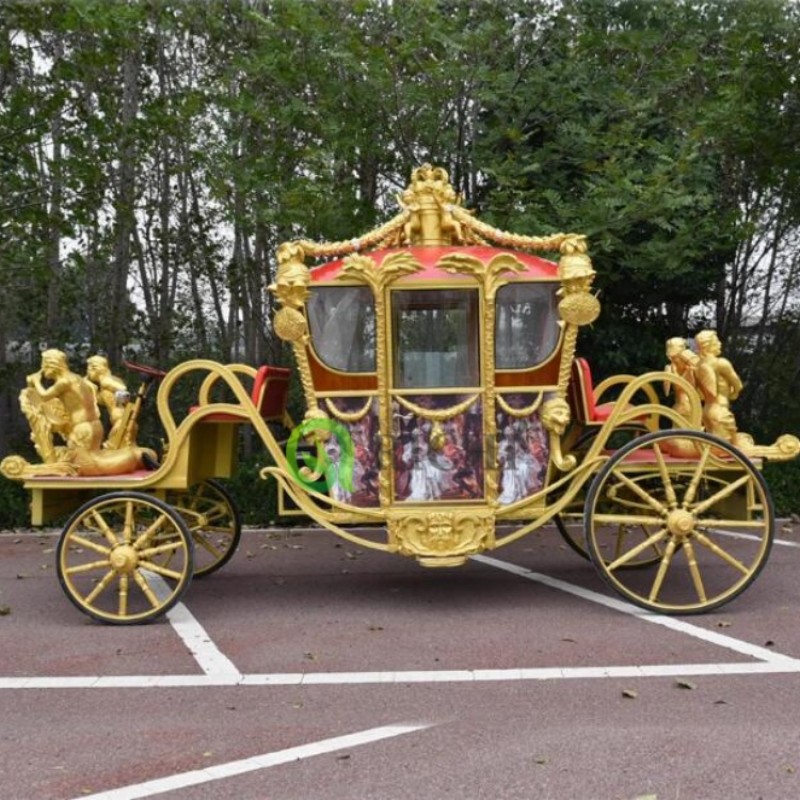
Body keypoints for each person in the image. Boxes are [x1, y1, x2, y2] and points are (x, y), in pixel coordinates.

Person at [23, 349, 103, 456]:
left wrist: (36, 381)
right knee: (89, 462)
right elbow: (93, 387)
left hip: (82, 429)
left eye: (44, 367)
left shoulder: (64, 382)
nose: (42, 370)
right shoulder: (77, 377)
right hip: (95, 426)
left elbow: (44, 396)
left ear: (53, 365)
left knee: (79, 465)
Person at [695, 330, 743, 442]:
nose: (720, 344)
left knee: (715, 446)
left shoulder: (699, 365)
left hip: (707, 410)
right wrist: (733, 393)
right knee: (724, 449)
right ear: (709, 345)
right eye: (717, 342)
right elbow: (738, 385)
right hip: (720, 411)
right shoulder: (721, 363)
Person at [86, 355, 130, 448]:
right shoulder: (103, 386)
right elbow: (100, 400)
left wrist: (119, 403)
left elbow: (123, 389)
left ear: (95, 368)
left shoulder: (106, 381)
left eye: (88, 370)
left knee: (111, 446)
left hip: (120, 417)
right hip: (117, 416)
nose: (88, 374)